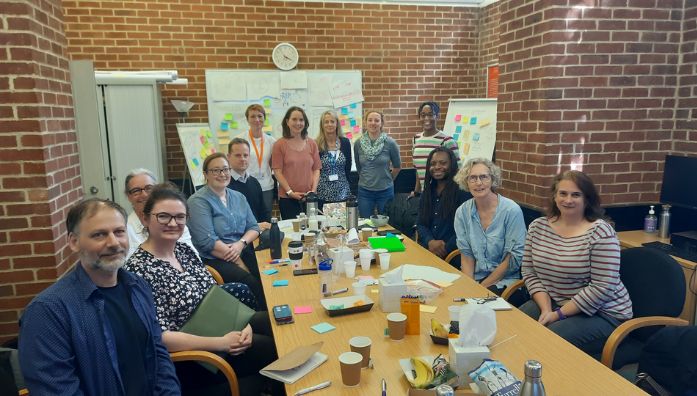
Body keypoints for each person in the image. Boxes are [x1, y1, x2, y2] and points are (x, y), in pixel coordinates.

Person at [125, 186, 278, 396]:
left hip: (220, 328)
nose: (173, 223)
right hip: (194, 358)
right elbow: (159, 337)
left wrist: (244, 325)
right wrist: (222, 343)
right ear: (145, 219)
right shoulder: (138, 271)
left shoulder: (183, 250)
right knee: (274, 347)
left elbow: (214, 294)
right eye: (163, 216)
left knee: (279, 321)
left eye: (180, 217)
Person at [18, 198, 180, 395]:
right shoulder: (47, 311)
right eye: (99, 235)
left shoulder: (138, 287)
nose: (113, 243)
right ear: (74, 242)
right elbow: (57, 390)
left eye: (119, 232)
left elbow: (158, 355)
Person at [520, 170, 632, 355]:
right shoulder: (538, 227)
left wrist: (557, 315)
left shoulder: (601, 233)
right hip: (556, 302)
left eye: (576, 194)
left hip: (604, 314)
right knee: (518, 325)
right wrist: (546, 308)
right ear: (554, 196)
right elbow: (529, 271)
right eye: (562, 193)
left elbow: (602, 287)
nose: (568, 200)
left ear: (587, 199)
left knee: (547, 340)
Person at [187, 153, 266, 308]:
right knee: (252, 282)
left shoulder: (239, 197)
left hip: (242, 249)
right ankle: (263, 322)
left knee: (269, 274)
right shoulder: (197, 202)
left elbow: (253, 227)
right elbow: (207, 241)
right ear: (205, 174)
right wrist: (239, 262)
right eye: (216, 170)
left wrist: (241, 244)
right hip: (215, 258)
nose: (222, 174)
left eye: (225, 169)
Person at [453, 158, 526, 295]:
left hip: (506, 283)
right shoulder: (462, 212)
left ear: (492, 180)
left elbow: (513, 258)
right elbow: (467, 254)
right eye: (472, 178)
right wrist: (468, 286)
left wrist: (480, 288)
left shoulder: (511, 211)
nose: (479, 183)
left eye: (484, 177)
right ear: (466, 182)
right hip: (475, 278)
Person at [124, 168, 197, 258]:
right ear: (128, 196)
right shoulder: (125, 229)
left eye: (149, 188)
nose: (144, 195)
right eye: (136, 190)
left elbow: (193, 256)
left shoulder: (176, 222)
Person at [417, 147, 471, 268]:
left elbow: (465, 229)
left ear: (452, 165)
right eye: (433, 164)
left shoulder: (463, 192)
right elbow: (420, 224)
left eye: (443, 163)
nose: (437, 167)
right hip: (428, 252)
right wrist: (430, 242)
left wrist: (444, 248)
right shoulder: (427, 192)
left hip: (454, 256)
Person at [271, 106, 321, 220]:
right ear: (287, 122)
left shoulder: (312, 143)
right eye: (294, 119)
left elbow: (316, 169)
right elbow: (277, 171)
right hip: (288, 199)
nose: (298, 123)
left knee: (311, 232)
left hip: (309, 199)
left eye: (301, 120)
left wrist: (313, 191)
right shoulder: (279, 144)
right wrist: (290, 192)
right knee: (291, 234)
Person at [354, 110, 401, 218]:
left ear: (381, 123)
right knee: (365, 224)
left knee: (386, 225)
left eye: (376, 120)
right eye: (370, 120)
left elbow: (397, 166)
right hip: (365, 192)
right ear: (365, 123)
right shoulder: (358, 143)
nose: (373, 123)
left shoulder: (390, 143)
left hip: (385, 191)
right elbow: (358, 167)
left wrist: (388, 179)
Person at [227, 138, 272, 249]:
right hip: (237, 241)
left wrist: (270, 227)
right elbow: (228, 221)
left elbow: (263, 211)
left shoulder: (254, 182)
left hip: (259, 237)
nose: (242, 159)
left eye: (245, 155)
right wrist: (255, 227)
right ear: (228, 157)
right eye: (238, 155)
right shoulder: (225, 185)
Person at [234, 104, 276, 217]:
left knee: (265, 217)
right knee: (247, 216)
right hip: (247, 184)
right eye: (252, 116)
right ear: (247, 119)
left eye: (260, 116)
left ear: (264, 119)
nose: (257, 120)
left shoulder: (272, 141)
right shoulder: (240, 140)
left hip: (266, 186)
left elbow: (274, 165)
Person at [412, 101, 460, 196]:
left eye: (430, 115)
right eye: (423, 115)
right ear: (419, 117)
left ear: (437, 116)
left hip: (444, 193)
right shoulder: (415, 139)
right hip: (425, 194)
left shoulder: (447, 140)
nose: (426, 118)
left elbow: (457, 169)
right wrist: (416, 191)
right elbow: (418, 170)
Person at [315, 110, 352, 207]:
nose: (329, 124)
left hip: (343, 192)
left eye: (332, 121)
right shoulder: (316, 144)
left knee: (342, 221)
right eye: (326, 122)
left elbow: (348, 167)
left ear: (337, 124)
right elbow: (315, 170)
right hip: (323, 193)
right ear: (322, 125)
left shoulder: (345, 142)